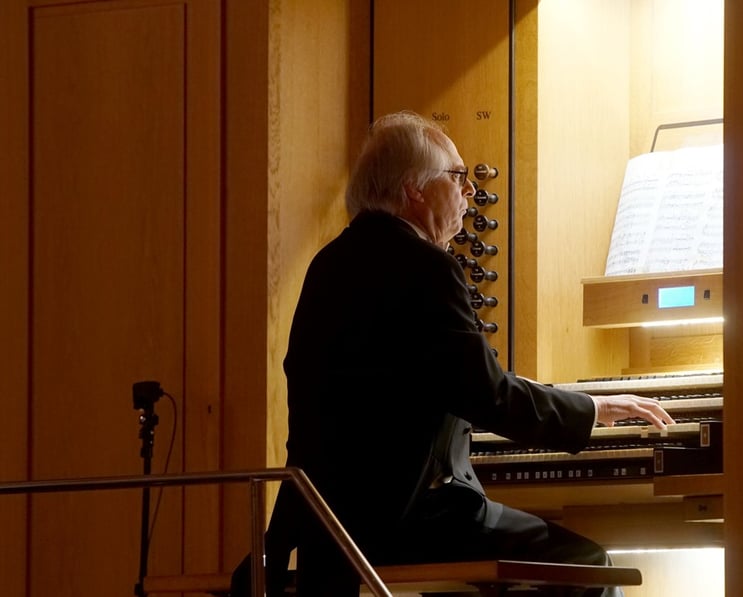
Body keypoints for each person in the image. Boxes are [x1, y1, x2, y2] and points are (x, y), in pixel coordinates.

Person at [231, 111, 674, 597]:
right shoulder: (426, 267)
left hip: (329, 528)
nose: (467, 192)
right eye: (457, 176)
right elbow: (488, 394)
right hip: (407, 518)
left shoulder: (328, 263)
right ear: (414, 189)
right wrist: (592, 407)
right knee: (588, 566)